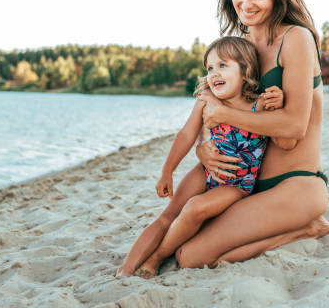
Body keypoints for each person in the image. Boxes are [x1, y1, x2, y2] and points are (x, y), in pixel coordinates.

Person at [174, 0, 329, 269]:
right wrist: (203, 146)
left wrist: (224, 113)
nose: (247, 3)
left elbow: (293, 126)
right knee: (183, 239)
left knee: (190, 257)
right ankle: (298, 227)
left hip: (295, 187)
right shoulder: (240, 48)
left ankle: (305, 228)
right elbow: (212, 113)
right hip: (246, 187)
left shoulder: (296, 39)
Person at [116, 36, 287, 277]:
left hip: (236, 184)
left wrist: (278, 101)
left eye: (223, 65)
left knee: (195, 208)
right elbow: (186, 135)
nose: (214, 73)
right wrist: (167, 171)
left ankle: (157, 257)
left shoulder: (258, 105)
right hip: (204, 171)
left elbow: (283, 130)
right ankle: (126, 268)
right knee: (167, 216)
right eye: (209, 68)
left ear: (245, 68)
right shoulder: (207, 101)